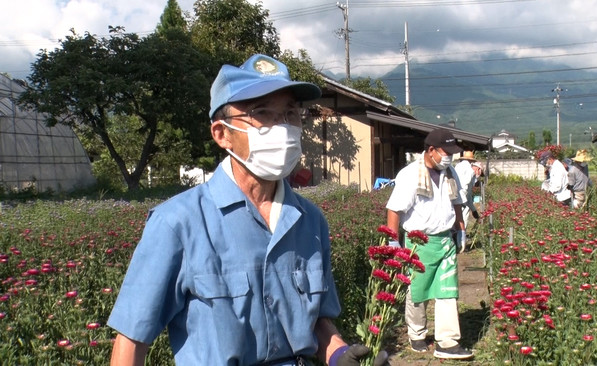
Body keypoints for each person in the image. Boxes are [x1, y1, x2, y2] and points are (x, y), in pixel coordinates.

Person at [107, 54, 389, 366]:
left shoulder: (309, 221)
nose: (281, 128)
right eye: (262, 114)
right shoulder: (178, 223)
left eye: (290, 114)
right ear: (222, 134)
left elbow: (316, 322)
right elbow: (132, 340)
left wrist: (339, 354)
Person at [385, 129, 473, 360]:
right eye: (446, 153)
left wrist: (461, 229)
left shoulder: (450, 172)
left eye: (453, 154)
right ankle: (417, 333)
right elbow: (394, 209)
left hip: (445, 240)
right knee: (418, 291)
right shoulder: (410, 175)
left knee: (447, 290)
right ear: (431, 150)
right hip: (418, 242)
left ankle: (448, 341)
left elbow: (457, 202)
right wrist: (393, 240)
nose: (449, 158)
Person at [454, 151, 483, 226]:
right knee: (463, 216)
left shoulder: (457, 166)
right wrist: (462, 201)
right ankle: (461, 235)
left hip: (454, 196)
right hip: (461, 198)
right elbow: (465, 187)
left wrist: (474, 211)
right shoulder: (470, 170)